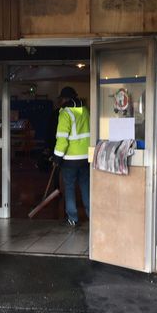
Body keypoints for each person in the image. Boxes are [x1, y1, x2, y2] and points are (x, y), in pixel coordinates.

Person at [52, 87, 90, 227]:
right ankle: (91, 214)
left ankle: (73, 218)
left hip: (70, 159)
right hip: (86, 157)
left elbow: (62, 139)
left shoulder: (65, 113)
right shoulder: (85, 111)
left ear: (65, 99)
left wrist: (57, 158)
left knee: (69, 188)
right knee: (85, 186)